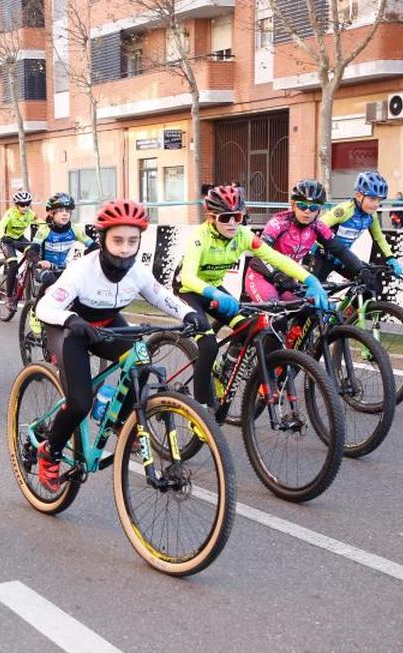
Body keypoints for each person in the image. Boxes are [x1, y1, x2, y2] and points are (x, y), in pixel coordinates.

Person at [33, 199, 207, 491]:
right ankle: (49, 452)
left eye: (132, 240)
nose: (125, 248)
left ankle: (120, 420)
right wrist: (71, 320)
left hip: (107, 325)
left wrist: (188, 313)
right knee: (80, 402)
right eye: (117, 240)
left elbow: (159, 295)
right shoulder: (82, 270)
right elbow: (44, 307)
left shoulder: (137, 270)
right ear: (102, 239)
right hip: (69, 330)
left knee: (141, 358)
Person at [173, 184, 327, 411]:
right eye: (226, 218)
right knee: (208, 345)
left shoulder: (243, 235)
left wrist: (310, 280)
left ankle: (225, 370)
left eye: (238, 216)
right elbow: (187, 277)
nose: (233, 223)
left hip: (214, 288)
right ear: (211, 217)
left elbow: (276, 258)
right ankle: (200, 409)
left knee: (249, 329)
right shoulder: (199, 236)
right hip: (188, 291)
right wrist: (214, 293)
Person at [244, 179, 366, 311]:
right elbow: (257, 259)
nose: (307, 211)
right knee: (276, 313)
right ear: (293, 205)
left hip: (288, 281)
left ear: (319, 210)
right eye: (302, 206)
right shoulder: (278, 224)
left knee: (308, 312)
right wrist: (278, 276)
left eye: (313, 207)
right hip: (261, 277)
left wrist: (360, 269)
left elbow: (341, 250)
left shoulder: (318, 227)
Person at [24, 192, 96, 334]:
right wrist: (40, 261)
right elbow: (32, 251)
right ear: (51, 213)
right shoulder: (44, 230)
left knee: (78, 288)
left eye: (68, 211)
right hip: (41, 267)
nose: (65, 214)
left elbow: (93, 246)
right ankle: (35, 312)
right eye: (61, 211)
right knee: (50, 279)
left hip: (61, 267)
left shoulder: (74, 229)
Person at [316, 170, 403, 286]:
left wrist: (391, 258)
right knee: (314, 297)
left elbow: (379, 238)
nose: (376, 204)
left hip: (344, 257)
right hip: (322, 257)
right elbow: (317, 227)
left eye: (379, 200)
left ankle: (354, 305)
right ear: (358, 196)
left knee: (369, 285)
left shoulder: (372, 216)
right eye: (372, 199)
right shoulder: (344, 210)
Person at [0, 189, 36, 308]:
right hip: (8, 241)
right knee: (13, 265)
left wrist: (51, 225)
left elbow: (40, 222)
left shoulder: (30, 213)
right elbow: (0, 227)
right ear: (16, 205)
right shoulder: (10, 214)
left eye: (27, 204)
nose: (25, 207)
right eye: (22, 204)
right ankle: (9, 297)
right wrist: (3, 236)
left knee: (34, 252)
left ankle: (25, 280)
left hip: (20, 238)